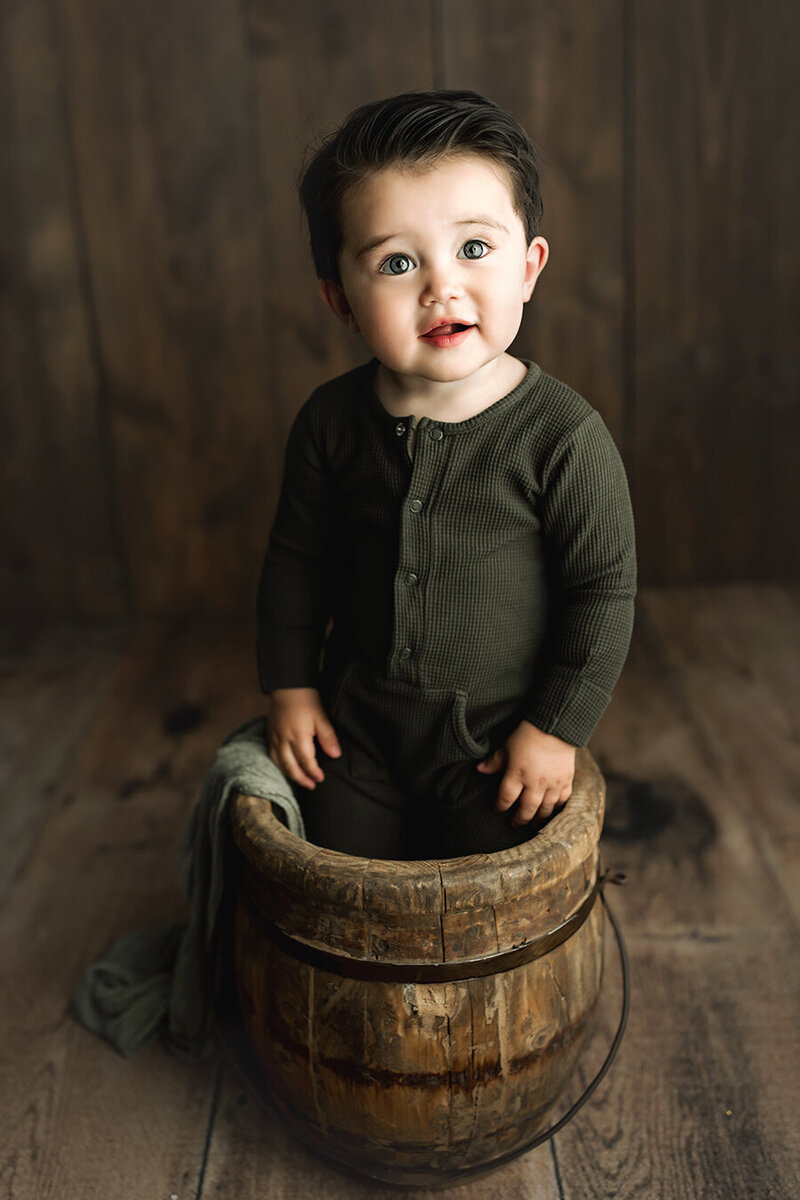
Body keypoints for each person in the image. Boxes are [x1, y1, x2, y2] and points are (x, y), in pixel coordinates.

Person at [256, 90, 636, 859]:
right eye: (397, 263)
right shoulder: (331, 422)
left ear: (528, 268)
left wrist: (554, 729)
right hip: (355, 734)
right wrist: (290, 687)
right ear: (342, 301)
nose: (441, 288)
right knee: (333, 871)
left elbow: (601, 591)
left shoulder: (563, 436)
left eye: (474, 249)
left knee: (494, 877)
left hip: (495, 745)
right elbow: (297, 562)